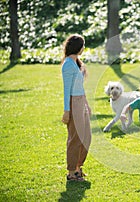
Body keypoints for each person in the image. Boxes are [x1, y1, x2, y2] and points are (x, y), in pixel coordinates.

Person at [61, 34, 91, 181]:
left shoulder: (77, 63)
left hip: (81, 102)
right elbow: (67, 90)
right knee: (76, 137)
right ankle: (71, 172)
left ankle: (79, 167)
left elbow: (80, 87)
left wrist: (87, 105)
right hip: (73, 103)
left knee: (86, 137)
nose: (84, 48)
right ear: (78, 47)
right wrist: (67, 111)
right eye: (83, 45)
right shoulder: (68, 64)